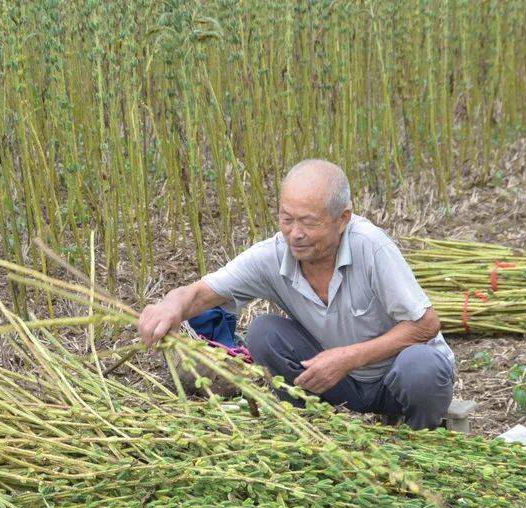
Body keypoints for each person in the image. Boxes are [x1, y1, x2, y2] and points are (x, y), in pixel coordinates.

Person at [136, 159, 454, 429]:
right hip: (337, 382)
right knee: (264, 331)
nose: (295, 234)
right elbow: (201, 293)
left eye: (308, 222)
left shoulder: (371, 247)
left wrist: (346, 358)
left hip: (395, 381)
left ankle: (420, 437)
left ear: (343, 219)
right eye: (287, 219)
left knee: (421, 367)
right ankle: (307, 431)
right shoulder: (275, 254)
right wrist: (171, 306)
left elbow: (425, 325)